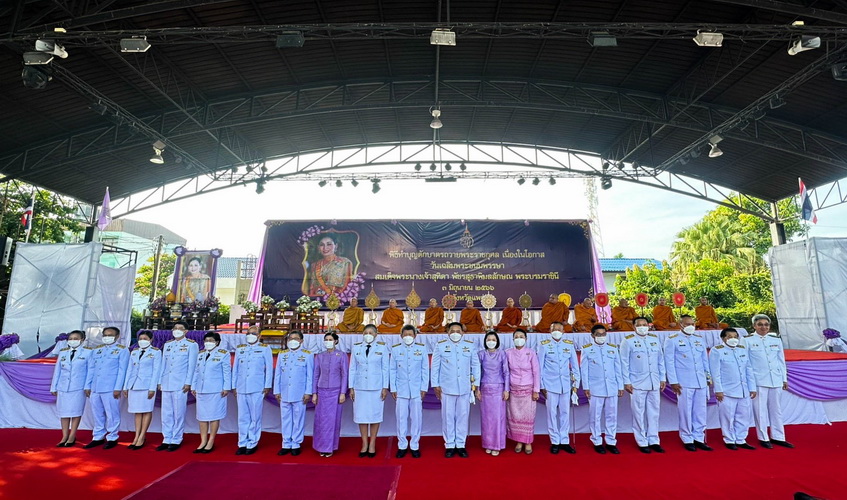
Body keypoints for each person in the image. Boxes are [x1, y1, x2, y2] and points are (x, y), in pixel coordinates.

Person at [431, 322, 481, 458]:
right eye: (452, 330)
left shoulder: (469, 345)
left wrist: (475, 383)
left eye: (458, 331)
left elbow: (475, 365)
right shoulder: (440, 345)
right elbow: (435, 366)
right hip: (447, 387)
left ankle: (460, 444)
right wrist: (436, 384)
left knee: (462, 417)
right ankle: (449, 444)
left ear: (463, 333)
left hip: (464, 387)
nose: (455, 333)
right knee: (448, 417)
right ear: (448, 332)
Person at [664, 315, 712, 451]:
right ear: (680, 324)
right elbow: (669, 362)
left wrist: (708, 378)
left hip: (700, 380)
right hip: (684, 381)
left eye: (692, 323)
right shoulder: (672, 340)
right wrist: (673, 381)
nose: (691, 326)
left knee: (700, 411)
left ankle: (699, 437)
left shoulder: (699, 339)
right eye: (687, 324)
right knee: (685, 410)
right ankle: (687, 437)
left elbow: (704, 361)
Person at [745, 314, 793, 449]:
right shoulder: (747, 340)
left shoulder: (775, 340)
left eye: (766, 324)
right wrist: (750, 383)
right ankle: (763, 437)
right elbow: (746, 363)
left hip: (775, 379)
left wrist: (784, 378)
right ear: (754, 326)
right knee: (760, 410)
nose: (763, 327)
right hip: (758, 380)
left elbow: (781, 361)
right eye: (760, 324)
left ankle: (778, 437)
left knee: (776, 410)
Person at [621, 317, 666, 453]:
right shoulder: (627, 341)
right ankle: (641, 441)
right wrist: (626, 381)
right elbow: (624, 363)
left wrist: (662, 378)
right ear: (634, 327)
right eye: (639, 325)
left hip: (654, 382)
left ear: (648, 326)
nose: (642, 327)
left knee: (654, 412)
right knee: (638, 413)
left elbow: (660, 361)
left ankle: (654, 440)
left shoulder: (654, 339)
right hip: (637, 383)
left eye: (644, 324)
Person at [710, 328, 758, 450]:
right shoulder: (717, 351)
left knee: (744, 415)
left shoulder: (742, 349)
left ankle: (741, 439)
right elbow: (715, 373)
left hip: (743, 389)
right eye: (729, 336)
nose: (733, 339)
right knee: (727, 416)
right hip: (727, 391)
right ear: (723, 338)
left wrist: (752, 388)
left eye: (735, 336)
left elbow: (748, 369)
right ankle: (729, 439)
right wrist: (718, 390)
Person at [581, 325, 624, 454]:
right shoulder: (587, 349)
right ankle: (597, 440)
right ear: (593, 336)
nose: (601, 337)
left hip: (611, 386)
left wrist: (620, 385)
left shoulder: (612, 348)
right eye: (598, 334)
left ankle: (611, 441)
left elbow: (618, 368)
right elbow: (584, 370)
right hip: (595, 387)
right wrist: (586, 387)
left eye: (603, 334)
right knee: (595, 415)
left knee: (612, 415)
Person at [538, 321, 580, 454]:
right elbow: (539, 367)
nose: (557, 331)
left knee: (565, 413)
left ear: (563, 331)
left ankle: (565, 440)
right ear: (550, 331)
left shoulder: (568, 345)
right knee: (551, 413)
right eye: (554, 329)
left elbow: (575, 366)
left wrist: (576, 385)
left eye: (559, 329)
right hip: (550, 385)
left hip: (566, 385)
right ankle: (555, 441)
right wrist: (542, 385)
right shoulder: (544, 345)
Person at [83, 326, 128, 450]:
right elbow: (91, 369)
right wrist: (88, 385)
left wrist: (118, 387)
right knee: (97, 413)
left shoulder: (122, 350)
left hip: (110, 387)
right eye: (105, 335)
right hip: (95, 387)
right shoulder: (97, 350)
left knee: (112, 413)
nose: (107, 337)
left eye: (110, 335)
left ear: (117, 336)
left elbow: (122, 370)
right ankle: (98, 436)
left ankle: (113, 436)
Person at [349, 324, 390, 458]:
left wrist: (385, 387)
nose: (368, 335)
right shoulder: (356, 347)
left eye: (371, 332)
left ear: (376, 335)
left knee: (374, 416)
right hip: (360, 386)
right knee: (361, 416)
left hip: (376, 387)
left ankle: (372, 443)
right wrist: (351, 387)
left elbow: (385, 368)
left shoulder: (382, 348)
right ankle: (364, 443)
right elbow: (352, 369)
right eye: (366, 332)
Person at [157, 321, 199, 452]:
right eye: (175, 328)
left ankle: (176, 439)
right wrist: (160, 381)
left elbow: (192, 366)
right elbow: (163, 365)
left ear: (186, 331)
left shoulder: (191, 345)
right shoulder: (168, 345)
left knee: (178, 412)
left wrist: (188, 382)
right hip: (166, 382)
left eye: (180, 328)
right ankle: (166, 438)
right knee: (166, 413)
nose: (177, 330)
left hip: (180, 383)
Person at [389, 325, 429, 458]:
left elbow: (425, 369)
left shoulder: (421, 349)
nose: (408, 337)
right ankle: (402, 445)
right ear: (401, 336)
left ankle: (414, 445)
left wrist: (424, 387)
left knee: (416, 418)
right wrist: (393, 388)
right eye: (405, 335)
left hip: (417, 389)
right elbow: (392, 370)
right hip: (401, 389)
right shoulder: (396, 350)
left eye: (410, 335)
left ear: (415, 336)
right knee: (401, 418)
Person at [232, 326, 273, 455]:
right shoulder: (240, 349)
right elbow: (236, 368)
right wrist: (234, 386)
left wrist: (267, 385)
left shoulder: (265, 349)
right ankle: (242, 442)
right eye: (248, 333)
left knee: (255, 416)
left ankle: (252, 442)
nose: (250, 335)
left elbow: (269, 368)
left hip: (257, 387)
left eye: (253, 333)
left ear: (259, 335)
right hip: (241, 387)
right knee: (243, 417)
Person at [274, 331, 313, 456]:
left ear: (301, 341)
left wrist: (308, 392)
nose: (293, 340)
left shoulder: (307, 355)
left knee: (298, 418)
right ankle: (286, 443)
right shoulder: (282, 354)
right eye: (290, 338)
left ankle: (296, 443)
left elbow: (309, 376)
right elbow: (278, 374)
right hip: (285, 392)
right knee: (285, 419)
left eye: (296, 338)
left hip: (299, 392)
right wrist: (277, 390)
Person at [50, 330, 91, 447]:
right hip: (63, 387)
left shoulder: (88, 353)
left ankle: (72, 435)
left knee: (76, 412)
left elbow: (90, 371)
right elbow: (57, 371)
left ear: (82, 340)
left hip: (78, 387)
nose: (72, 341)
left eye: (75, 338)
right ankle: (64, 436)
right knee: (64, 412)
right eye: (70, 338)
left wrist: (87, 386)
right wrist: (54, 387)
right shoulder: (63, 353)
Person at [191, 332, 231, 454]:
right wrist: (193, 386)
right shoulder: (201, 354)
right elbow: (196, 372)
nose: (208, 342)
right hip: (201, 389)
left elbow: (227, 371)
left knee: (214, 415)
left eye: (211, 340)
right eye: (206, 340)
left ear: (217, 342)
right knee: (202, 416)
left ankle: (211, 440)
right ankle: (203, 440)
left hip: (216, 389)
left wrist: (226, 387)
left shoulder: (223, 354)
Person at [123, 330, 162, 450]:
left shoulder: (156, 352)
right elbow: (129, 370)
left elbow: (156, 370)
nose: (142, 341)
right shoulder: (134, 352)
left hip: (146, 386)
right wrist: (126, 387)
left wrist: (152, 388)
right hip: (134, 385)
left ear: (150, 340)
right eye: (140, 339)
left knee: (146, 411)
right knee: (137, 412)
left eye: (145, 338)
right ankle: (136, 436)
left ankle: (142, 436)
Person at [312, 332, 348, 457]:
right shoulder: (320, 356)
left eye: (330, 339)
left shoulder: (341, 355)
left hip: (335, 391)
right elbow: (315, 374)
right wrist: (314, 393)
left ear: (336, 341)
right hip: (321, 391)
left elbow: (344, 375)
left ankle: (330, 447)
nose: (328, 341)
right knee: (321, 420)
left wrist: (343, 392)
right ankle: (320, 446)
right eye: (326, 339)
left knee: (332, 420)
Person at [505, 328, 539, 454]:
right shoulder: (508, 353)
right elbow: (506, 372)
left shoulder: (531, 353)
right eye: (516, 337)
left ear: (526, 339)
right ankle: (518, 441)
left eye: (521, 337)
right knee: (515, 416)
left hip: (528, 389)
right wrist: (506, 390)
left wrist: (536, 390)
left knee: (528, 417)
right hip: (514, 390)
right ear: (513, 339)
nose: (519, 339)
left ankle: (528, 441)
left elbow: (536, 372)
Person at [477, 331, 509, 456]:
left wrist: (506, 390)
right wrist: (477, 389)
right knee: (486, 418)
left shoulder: (502, 354)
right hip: (485, 388)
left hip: (499, 388)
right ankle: (488, 444)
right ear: (485, 341)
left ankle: (497, 445)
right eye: (489, 339)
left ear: (497, 341)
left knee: (498, 418)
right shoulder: (481, 354)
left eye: (493, 339)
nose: (491, 341)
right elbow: (477, 372)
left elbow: (506, 372)